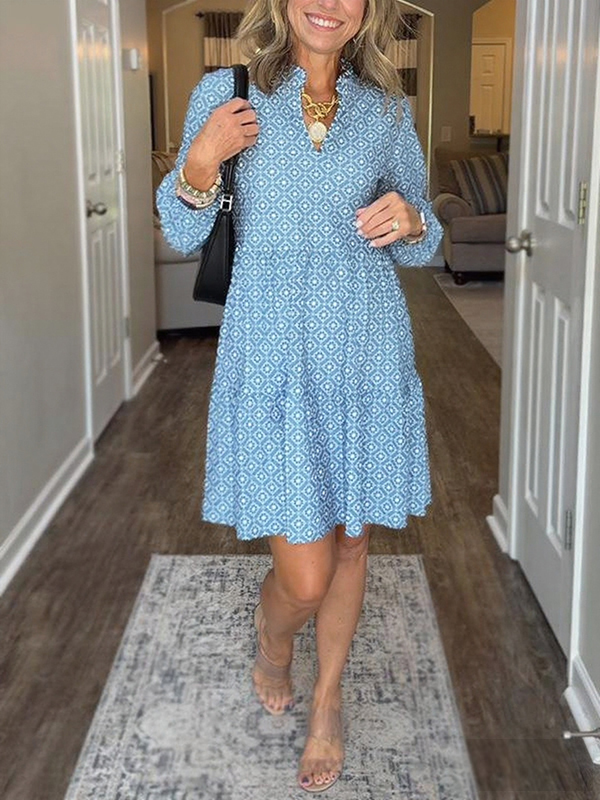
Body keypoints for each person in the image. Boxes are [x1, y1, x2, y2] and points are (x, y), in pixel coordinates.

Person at [156, 0, 443, 791]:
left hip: (365, 346)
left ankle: (327, 700)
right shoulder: (228, 92)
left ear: (368, 10)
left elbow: (423, 241)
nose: (329, 3)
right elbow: (181, 232)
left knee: (351, 540)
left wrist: (414, 221)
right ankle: (274, 637)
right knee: (304, 576)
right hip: (273, 354)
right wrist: (200, 164)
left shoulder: (387, 110)